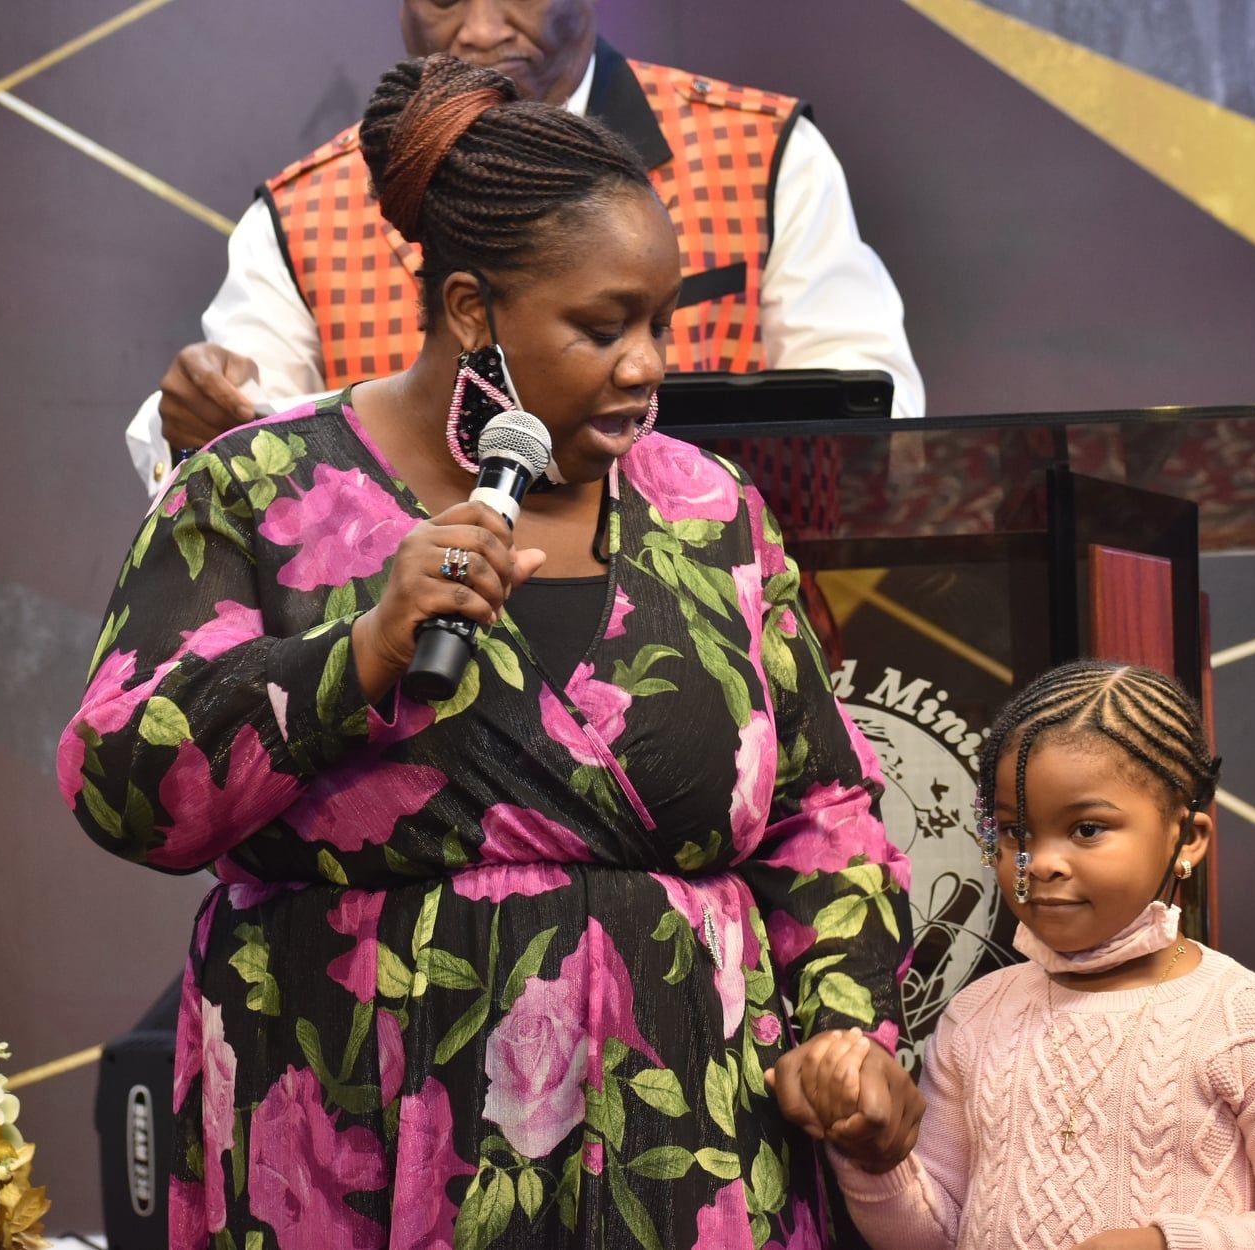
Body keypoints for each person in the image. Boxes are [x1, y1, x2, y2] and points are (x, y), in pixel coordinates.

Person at [58, 54, 913, 1248]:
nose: (648, 365)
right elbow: (123, 784)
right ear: (472, 311)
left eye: (659, 321)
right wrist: (354, 657)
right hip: (362, 1148)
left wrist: (839, 1023)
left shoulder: (708, 509)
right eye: (602, 326)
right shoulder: (258, 487)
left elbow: (824, 806)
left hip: (686, 1157)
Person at [125, 0, 924, 492]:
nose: (477, 29)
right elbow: (238, 432)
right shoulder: (304, 212)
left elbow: (873, 430)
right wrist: (194, 423)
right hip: (416, 689)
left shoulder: (762, 155)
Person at [780, 661, 1255, 1250]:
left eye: (1087, 829)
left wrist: (1166, 1245)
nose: (1040, 863)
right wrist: (871, 1157)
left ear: (1186, 839)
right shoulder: (976, 1017)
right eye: (1016, 833)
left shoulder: (1251, 1026)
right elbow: (932, 1236)